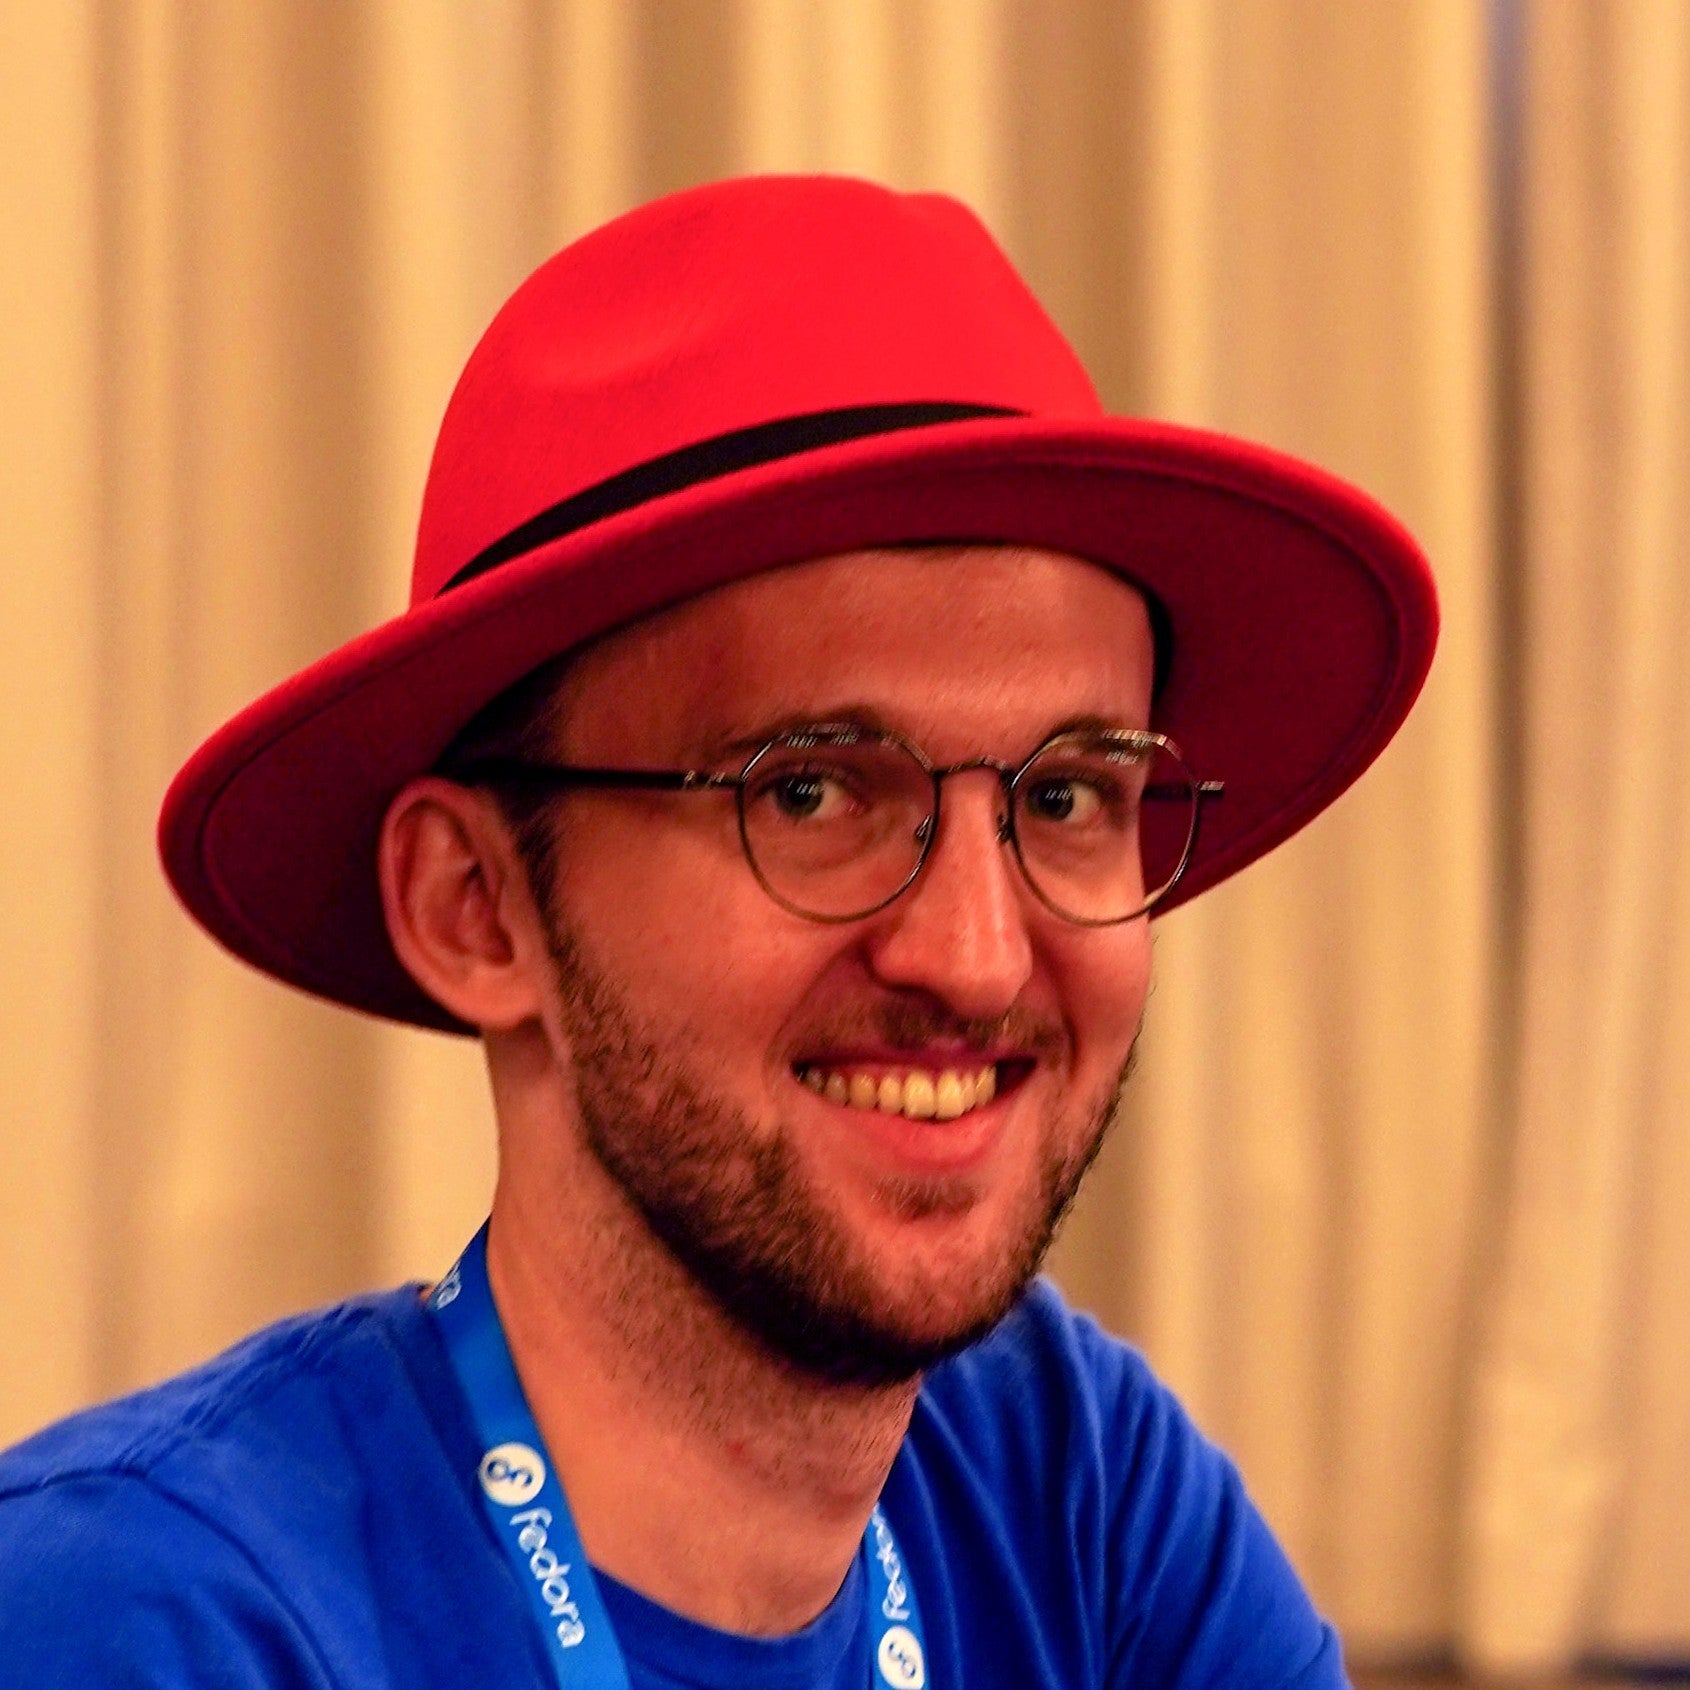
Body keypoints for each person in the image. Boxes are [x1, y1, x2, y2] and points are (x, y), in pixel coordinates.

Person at [0, 174, 1436, 1687]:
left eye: (1068, 792)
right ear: (476, 905)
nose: (974, 951)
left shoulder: (1059, 1487)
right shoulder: (141, 1623)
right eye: (810, 789)